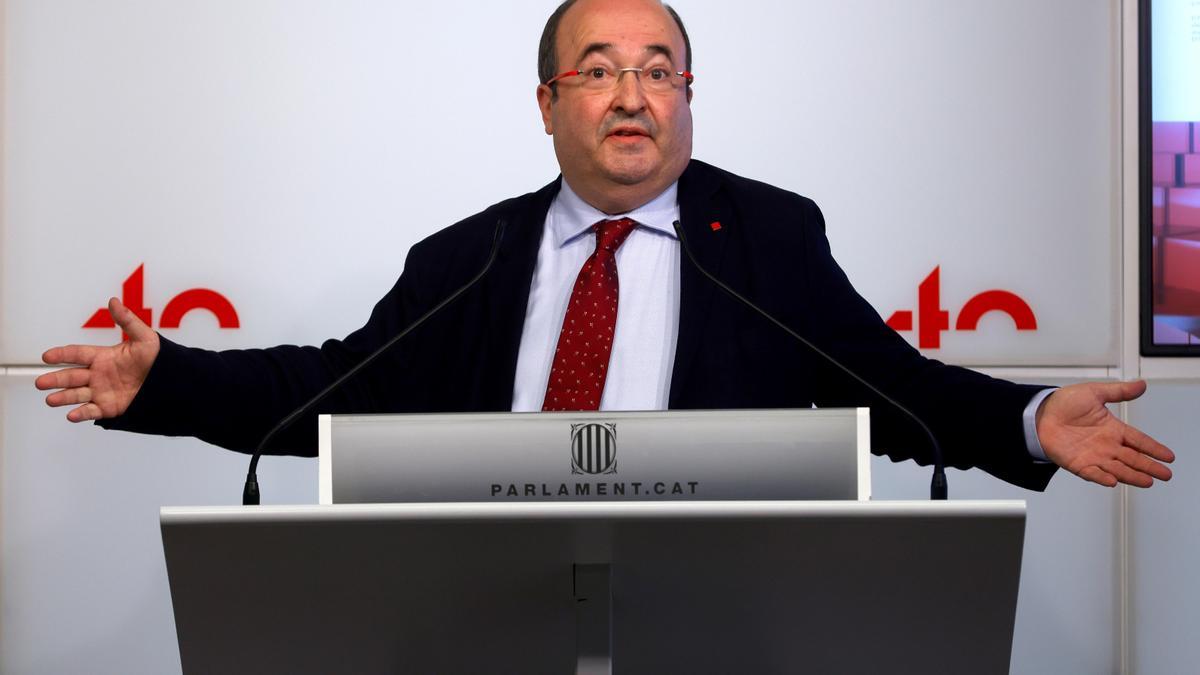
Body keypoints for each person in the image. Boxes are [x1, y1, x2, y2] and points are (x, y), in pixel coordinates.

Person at [35, 0, 1174, 491]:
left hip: (717, 618)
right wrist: (167, 381)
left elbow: (891, 388)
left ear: (688, 96)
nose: (631, 94)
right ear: (546, 103)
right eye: (597, 70)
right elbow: (333, 392)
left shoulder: (768, 238)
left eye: (656, 70)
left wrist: (1027, 418)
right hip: (489, 611)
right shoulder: (466, 261)